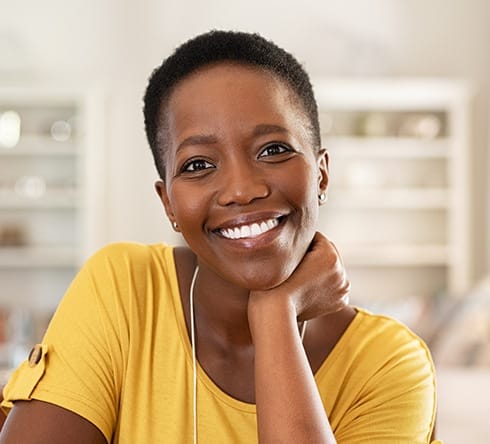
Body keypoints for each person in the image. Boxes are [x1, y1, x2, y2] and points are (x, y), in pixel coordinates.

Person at [0, 30, 439, 443]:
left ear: (322, 174)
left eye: (273, 150)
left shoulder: (389, 363)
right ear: (168, 203)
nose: (242, 190)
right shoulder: (124, 286)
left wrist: (274, 315)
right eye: (197, 165)